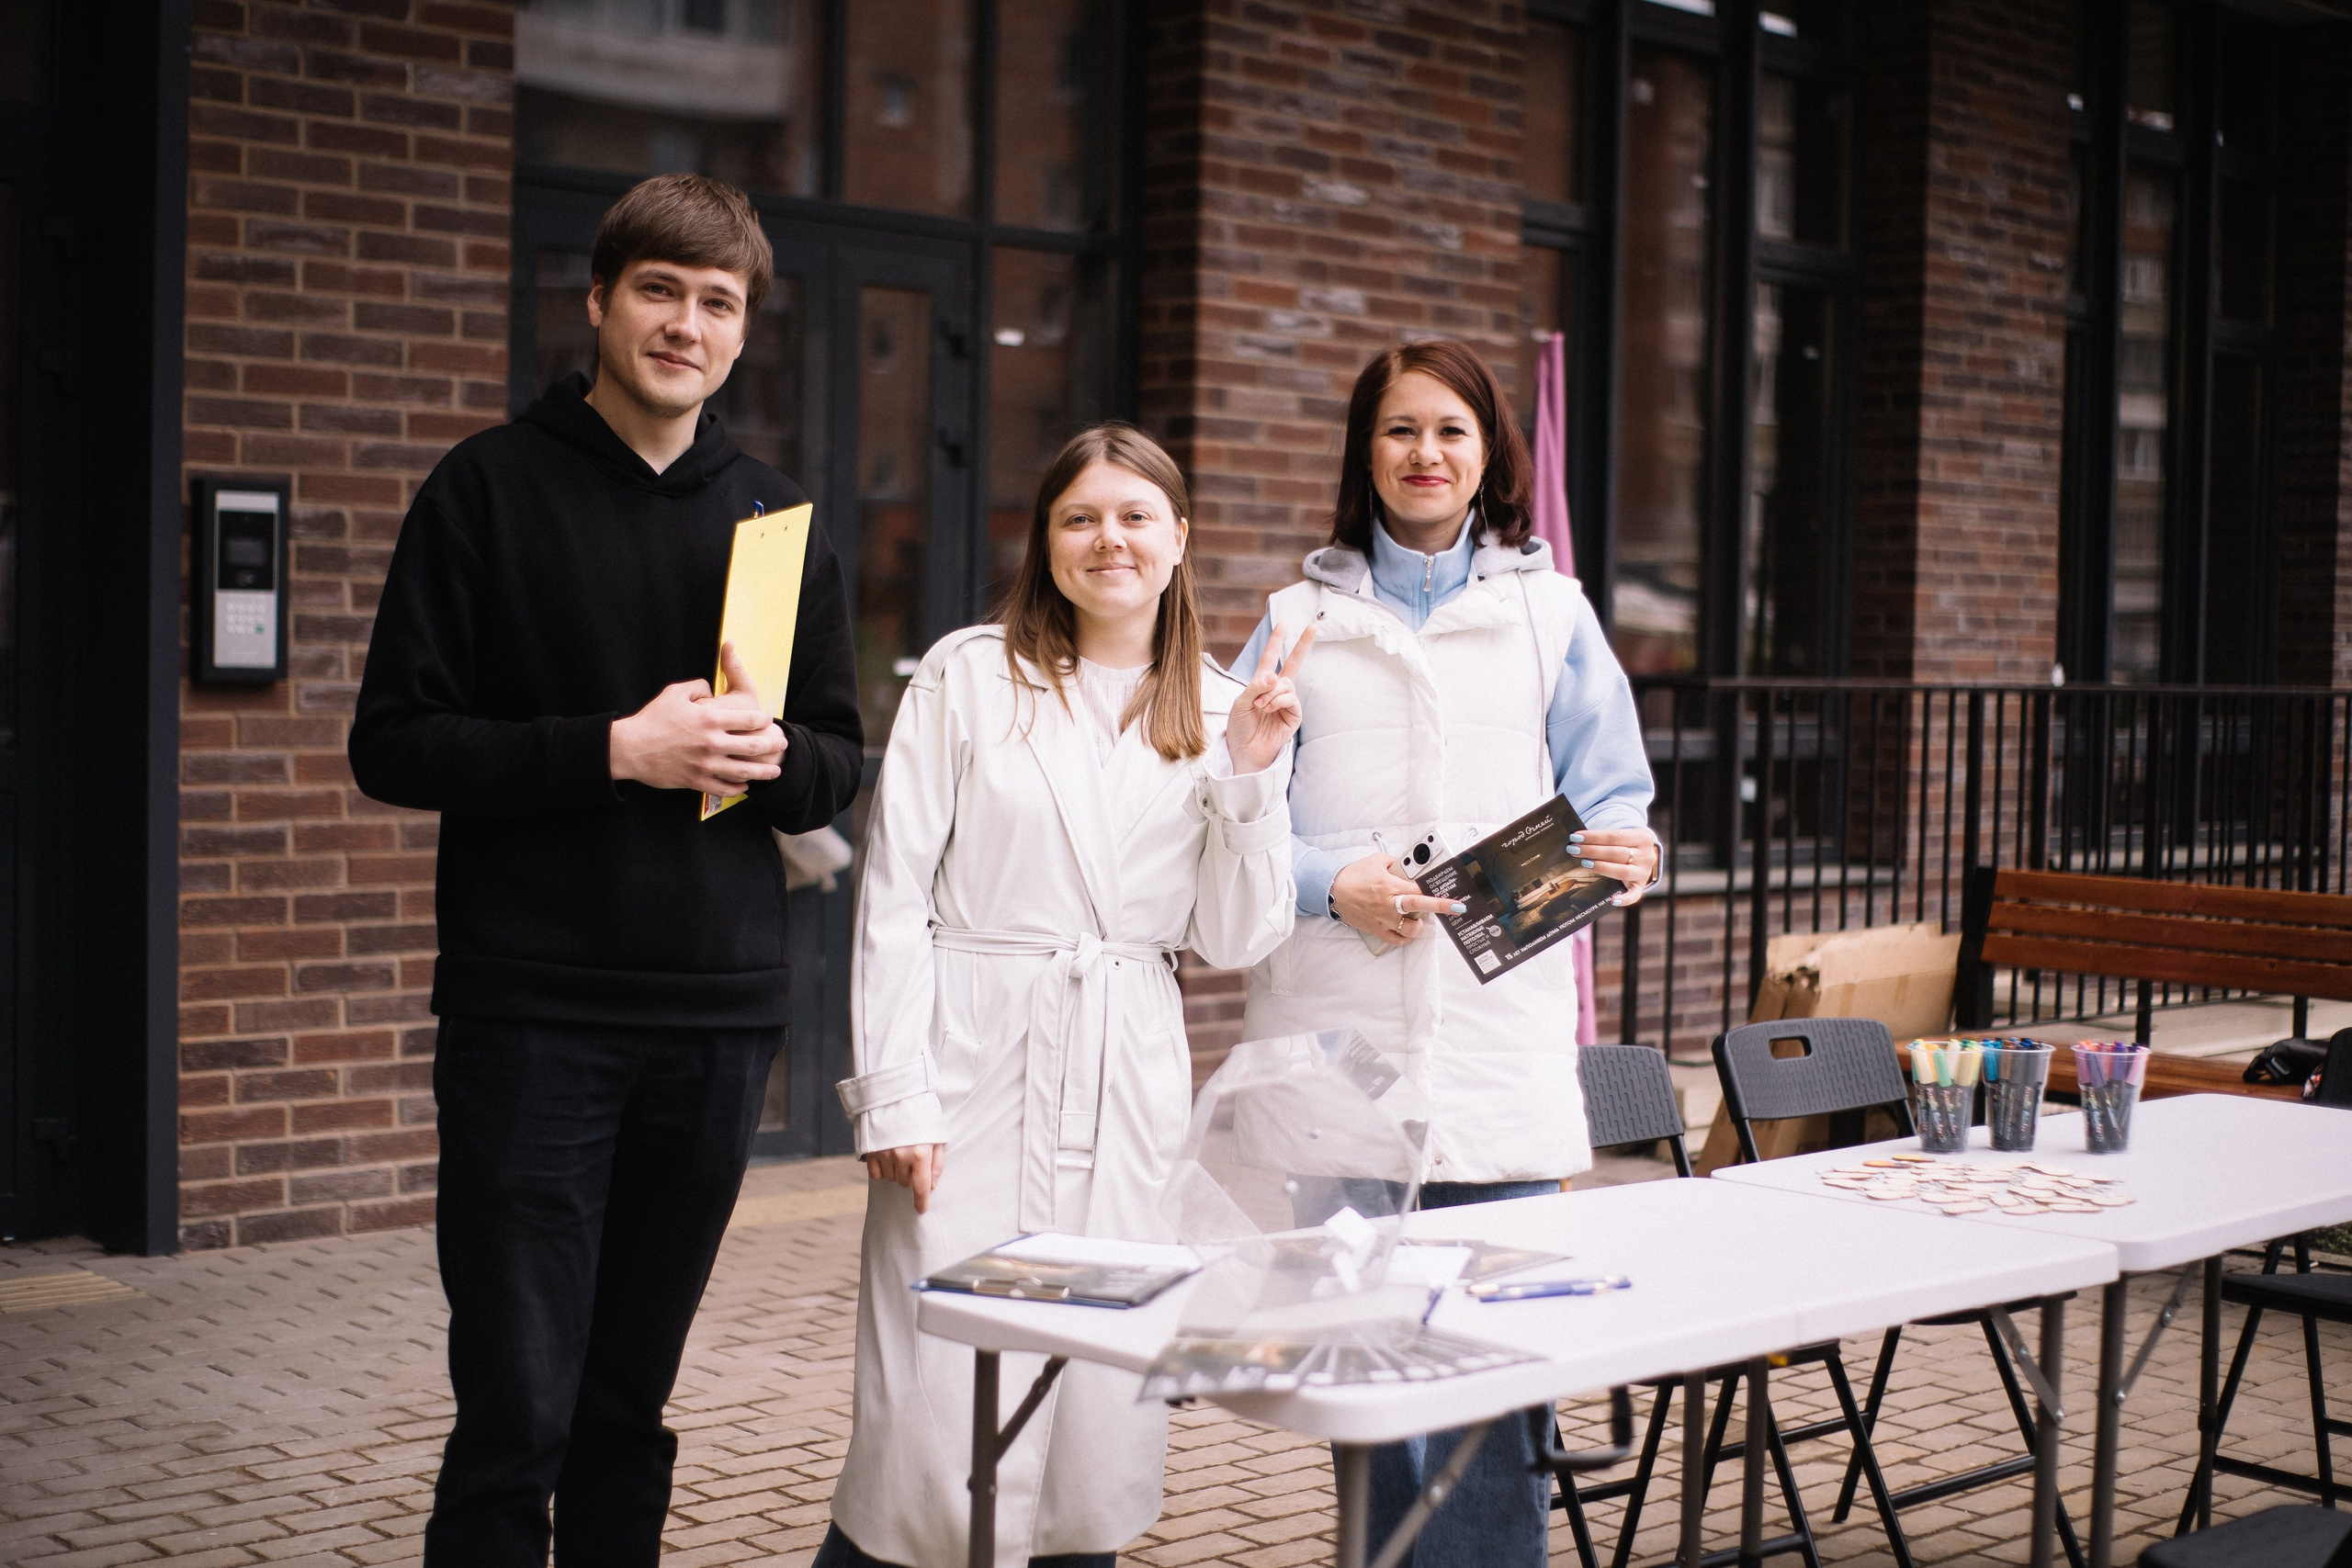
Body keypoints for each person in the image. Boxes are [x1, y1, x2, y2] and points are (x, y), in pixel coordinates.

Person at [348, 174, 864, 1567]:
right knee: (516, 1405)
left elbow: (836, 755)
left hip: (711, 1017)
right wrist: (614, 750)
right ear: (598, 300)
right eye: (658, 290)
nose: (684, 324)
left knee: (629, 1404)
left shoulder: (774, 517)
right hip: (534, 1017)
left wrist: (769, 756)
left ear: (744, 330)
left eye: (716, 302)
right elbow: (393, 741)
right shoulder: (486, 489)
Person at [819, 424, 1306, 1568]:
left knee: (1091, 1412)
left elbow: (1234, 940)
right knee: (925, 1424)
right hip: (968, 1064)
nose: (1110, 540)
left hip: (1123, 1066)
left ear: (1179, 538)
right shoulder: (967, 674)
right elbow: (890, 896)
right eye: (1081, 517)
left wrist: (1246, 778)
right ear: (1045, 540)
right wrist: (894, 1097)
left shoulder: (1231, 704)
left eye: (1136, 516)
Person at [1229, 340, 1660, 1568]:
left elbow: (1613, 795)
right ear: (1365, 454)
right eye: (1400, 430)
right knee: (1366, 1371)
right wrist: (1329, 882)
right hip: (1336, 1038)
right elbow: (1241, 812)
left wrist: (1632, 849)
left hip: (1494, 1044)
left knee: (1495, 1367)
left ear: (1489, 456)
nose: (1425, 453)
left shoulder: (1549, 612)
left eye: (1451, 432)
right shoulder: (1297, 618)